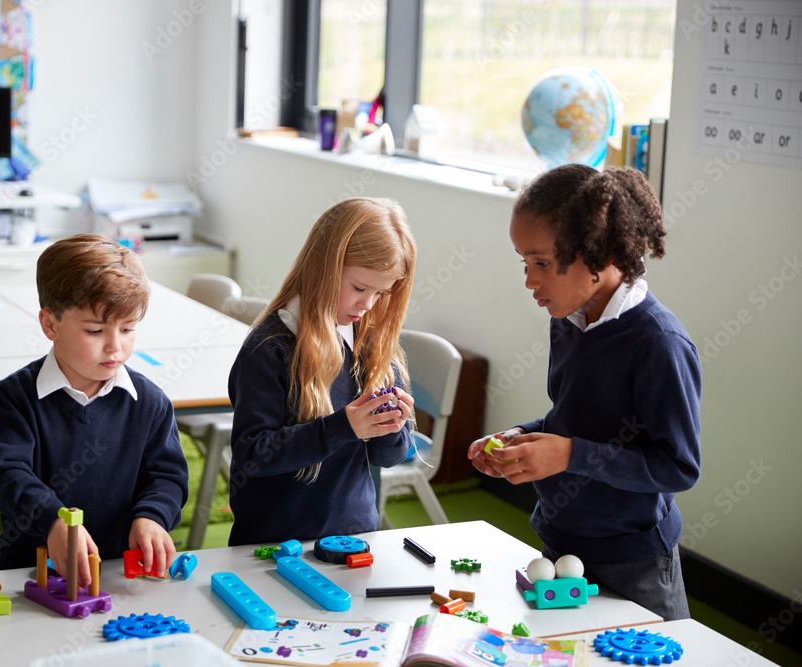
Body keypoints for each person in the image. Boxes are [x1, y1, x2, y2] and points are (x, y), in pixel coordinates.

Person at [468, 165, 701, 620]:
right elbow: (574, 421)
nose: (530, 281)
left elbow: (678, 467)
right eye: (524, 263)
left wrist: (569, 455)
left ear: (601, 253)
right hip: (562, 541)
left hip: (633, 562)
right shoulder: (568, 321)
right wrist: (521, 437)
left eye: (543, 263)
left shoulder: (659, 344)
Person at [0, 234, 188, 584]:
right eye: (95, 331)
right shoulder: (17, 396)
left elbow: (166, 477)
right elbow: (6, 476)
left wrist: (152, 516)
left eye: (128, 329)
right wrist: (53, 520)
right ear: (50, 325)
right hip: (32, 572)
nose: (115, 346)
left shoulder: (150, 402)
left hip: (119, 575)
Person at [227, 197, 417, 546]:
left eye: (381, 293)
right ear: (324, 267)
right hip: (275, 545)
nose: (368, 304)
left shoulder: (372, 342)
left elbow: (389, 457)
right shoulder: (270, 348)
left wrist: (393, 426)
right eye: (359, 288)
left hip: (354, 536)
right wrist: (342, 427)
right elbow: (252, 455)